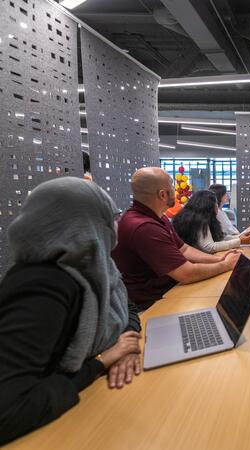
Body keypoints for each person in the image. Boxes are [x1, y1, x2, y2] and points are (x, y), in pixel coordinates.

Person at [0, 178, 143, 445]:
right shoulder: (42, 287)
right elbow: (9, 409)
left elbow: (128, 307)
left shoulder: (97, 267)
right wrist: (102, 361)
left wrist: (129, 340)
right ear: (83, 223)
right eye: (111, 218)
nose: (117, 226)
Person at [112, 168, 240, 310]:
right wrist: (226, 265)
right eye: (172, 186)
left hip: (168, 291)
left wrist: (220, 259)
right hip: (152, 304)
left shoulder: (158, 217)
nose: (175, 190)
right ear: (163, 194)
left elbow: (184, 249)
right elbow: (185, 273)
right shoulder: (144, 227)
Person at [173, 190, 250, 254]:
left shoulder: (203, 217)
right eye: (215, 203)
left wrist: (239, 237)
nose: (216, 205)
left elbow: (219, 237)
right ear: (207, 205)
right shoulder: (199, 220)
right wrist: (239, 241)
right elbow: (210, 247)